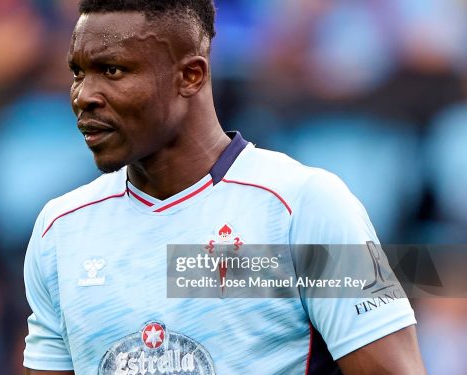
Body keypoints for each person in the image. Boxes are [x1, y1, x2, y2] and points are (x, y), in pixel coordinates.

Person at [23, 1, 425, 374]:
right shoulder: (59, 229)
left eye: (112, 70)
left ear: (190, 76)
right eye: (78, 72)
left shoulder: (305, 206)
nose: (84, 96)